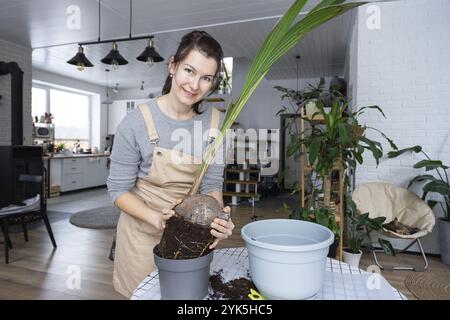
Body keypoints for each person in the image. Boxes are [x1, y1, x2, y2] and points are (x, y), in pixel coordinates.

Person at [107, 30, 235, 298]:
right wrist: (155, 218)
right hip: (141, 236)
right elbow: (118, 191)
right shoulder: (135, 122)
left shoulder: (216, 124)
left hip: (190, 238)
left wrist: (217, 219)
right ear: (172, 65)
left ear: (212, 84)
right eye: (189, 70)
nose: (194, 84)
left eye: (206, 78)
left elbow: (211, 185)